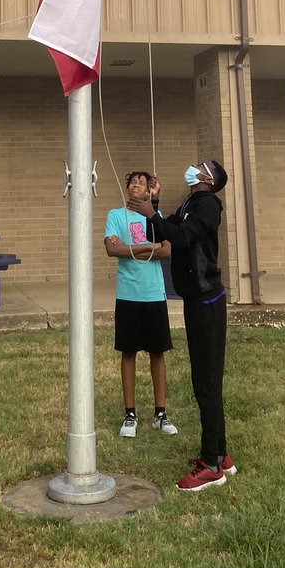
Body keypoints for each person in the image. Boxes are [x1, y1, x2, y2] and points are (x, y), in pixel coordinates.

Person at [129, 158, 236, 492]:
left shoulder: (207, 206)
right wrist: (155, 205)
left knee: (206, 380)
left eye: (199, 166)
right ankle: (220, 453)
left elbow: (182, 236)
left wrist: (152, 214)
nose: (191, 166)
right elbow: (163, 230)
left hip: (206, 301)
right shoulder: (191, 202)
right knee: (204, 378)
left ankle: (211, 465)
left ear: (208, 178)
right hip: (195, 300)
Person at [104, 171, 179, 439]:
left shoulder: (154, 218)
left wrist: (132, 248)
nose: (136, 185)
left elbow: (168, 250)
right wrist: (150, 247)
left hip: (154, 293)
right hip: (128, 293)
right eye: (132, 182)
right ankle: (130, 414)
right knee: (128, 352)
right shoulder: (115, 215)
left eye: (142, 183)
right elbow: (112, 250)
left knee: (157, 353)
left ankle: (160, 413)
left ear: (149, 191)